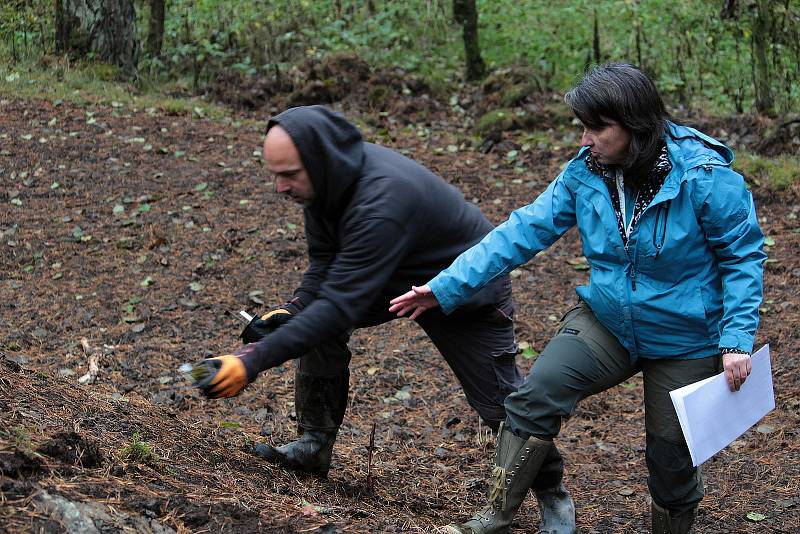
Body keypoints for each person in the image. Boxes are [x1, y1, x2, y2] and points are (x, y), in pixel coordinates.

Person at [390, 64, 765, 534]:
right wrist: (445, 286)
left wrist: (735, 339)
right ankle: (496, 515)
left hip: (686, 335)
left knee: (671, 459)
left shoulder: (704, 177)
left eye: (597, 127)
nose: (585, 139)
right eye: (582, 127)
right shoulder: (587, 172)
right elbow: (523, 230)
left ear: (634, 124)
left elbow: (743, 257)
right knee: (534, 398)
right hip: (609, 319)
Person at [198, 105, 525, 479]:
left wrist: (250, 362)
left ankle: (552, 495)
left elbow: (339, 305)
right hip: (393, 273)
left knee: (501, 407)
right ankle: (314, 445)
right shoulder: (326, 182)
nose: (280, 188)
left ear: (320, 161)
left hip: (466, 290)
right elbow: (324, 261)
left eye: (289, 175)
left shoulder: (381, 202)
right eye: (275, 175)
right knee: (312, 319)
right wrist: (296, 309)